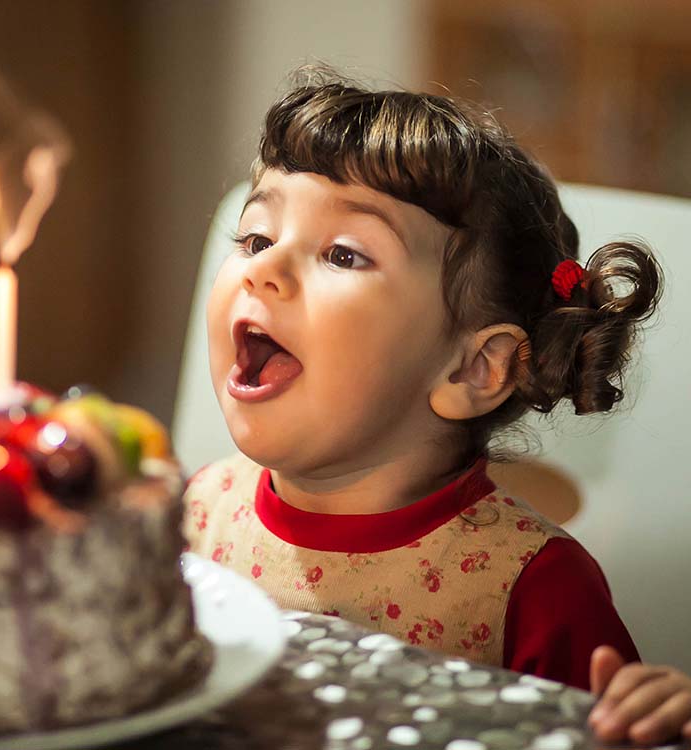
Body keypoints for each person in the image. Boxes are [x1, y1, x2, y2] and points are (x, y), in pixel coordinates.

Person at [181, 68, 690, 745]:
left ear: (473, 368)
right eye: (256, 237)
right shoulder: (192, 516)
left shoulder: (532, 594)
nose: (261, 269)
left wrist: (654, 723)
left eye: (342, 253)